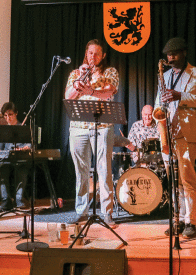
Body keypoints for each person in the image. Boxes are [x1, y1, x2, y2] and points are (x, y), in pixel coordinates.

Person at [154, 37, 196, 238]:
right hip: (168, 134)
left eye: (174, 54)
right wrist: (159, 114)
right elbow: (157, 105)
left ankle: (191, 222)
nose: (170, 58)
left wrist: (181, 97)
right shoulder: (165, 75)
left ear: (184, 53)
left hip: (186, 134)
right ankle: (177, 220)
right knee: (173, 182)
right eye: (168, 55)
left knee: (187, 179)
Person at [65, 39, 119, 227]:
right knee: (81, 172)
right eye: (90, 53)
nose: (92, 57)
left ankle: (107, 213)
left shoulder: (110, 72)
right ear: (86, 54)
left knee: (104, 170)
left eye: (96, 54)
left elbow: (109, 92)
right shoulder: (75, 73)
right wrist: (80, 79)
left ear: (103, 56)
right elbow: (68, 97)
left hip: (102, 126)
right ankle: (81, 212)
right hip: (78, 127)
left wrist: (91, 91)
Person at [0, 102, 31, 213]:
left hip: (20, 159)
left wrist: (23, 148)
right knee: (2, 168)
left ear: (16, 114)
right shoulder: (3, 130)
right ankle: (5, 200)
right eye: (5, 116)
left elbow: (29, 146)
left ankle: (19, 199)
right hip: (7, 160)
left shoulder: (23, 128)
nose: (8, 118)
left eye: (10, 114)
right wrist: (2, 152)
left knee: (22, 169)